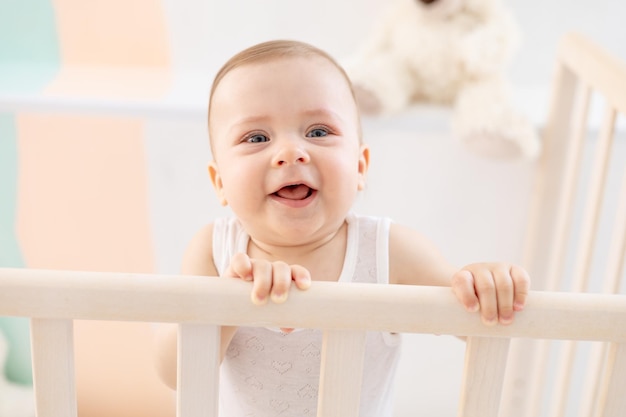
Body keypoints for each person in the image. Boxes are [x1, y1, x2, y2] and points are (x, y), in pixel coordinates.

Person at [154, 39, 530, 417]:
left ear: (360, 166)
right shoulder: (214, 251)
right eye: (257, 138)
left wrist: (484, 285)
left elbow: (469, 314)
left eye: (318, 132)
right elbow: (174, 374)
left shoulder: (388, 251)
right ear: (219, 182)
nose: (290, 152)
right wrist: (226, 304)